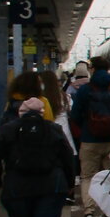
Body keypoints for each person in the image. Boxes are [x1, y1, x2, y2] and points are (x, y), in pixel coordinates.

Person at [69, 56, 110, 217]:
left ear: (92, 69)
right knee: (109, 176)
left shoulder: (85, 90)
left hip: (89, 140)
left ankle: (89, 212)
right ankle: (107, 213)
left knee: (87, 176)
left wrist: (85, 128)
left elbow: (75, 115)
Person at [40, 70, 77, 203]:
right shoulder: (64, 97)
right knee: (66, 161)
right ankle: (68, 191)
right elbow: (71, 112)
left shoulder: (40, 99)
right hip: (64, 132)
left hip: (46, 133)